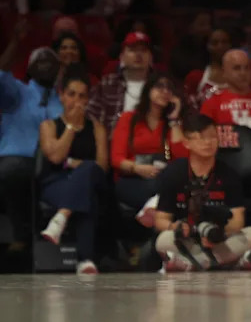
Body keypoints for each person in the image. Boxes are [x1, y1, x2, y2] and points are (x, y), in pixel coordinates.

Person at [153, 114, 251, 271]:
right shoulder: (173, 173)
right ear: (186, 142)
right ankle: (223, 262)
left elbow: (238, 220)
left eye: (212, 137)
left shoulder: (229, 174)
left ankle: (192, 264)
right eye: (200, 138)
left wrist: (220, 234)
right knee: (163, 240)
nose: (207, 143)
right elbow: (160, 220)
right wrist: (176, 226)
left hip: (220, 239)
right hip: (188, 240)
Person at [37, 66, 109, 275]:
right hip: (56, 182)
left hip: (91, 179)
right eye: (71, 94)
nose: (76, 101)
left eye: (82, 96)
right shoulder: (49, 125)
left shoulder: (97, 127)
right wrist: (71, 128)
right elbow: (56, 157)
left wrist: (76, 164)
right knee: (85, 197)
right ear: (61, 95)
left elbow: (102, 165)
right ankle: (85, 260)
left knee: (88, 170)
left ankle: (60, 218)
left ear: (88, 100)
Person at [0, 48, 64, 250]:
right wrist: (15, 44)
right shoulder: (18, 92)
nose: (45, 64)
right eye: (40, 60)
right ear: (30, 68)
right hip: (19, 158)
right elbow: (1, 76)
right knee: (12, 170)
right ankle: (22, 234)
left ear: (58, 69)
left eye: (50, 61)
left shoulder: (64, 100)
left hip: (54, 160)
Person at [110, 74, 188, 219]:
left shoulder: (172, 124)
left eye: (169, 89)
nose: (165, 91)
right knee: (169, 195)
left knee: (167, 185)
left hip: (161, 178)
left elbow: (182, 159)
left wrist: (174, 119)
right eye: (159, 86)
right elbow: (116, 158)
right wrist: (137, 168)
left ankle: (152, 212)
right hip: (131, 179)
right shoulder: (129, 118)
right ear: (148, 90)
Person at [86, 31, 154, 133]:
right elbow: (90, 119)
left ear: (150, 57)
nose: (138, 54)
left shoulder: (160, 86)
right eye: (132, 50)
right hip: (112, 144)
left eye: (143, 50)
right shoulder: (107, 84)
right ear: (122, 56)